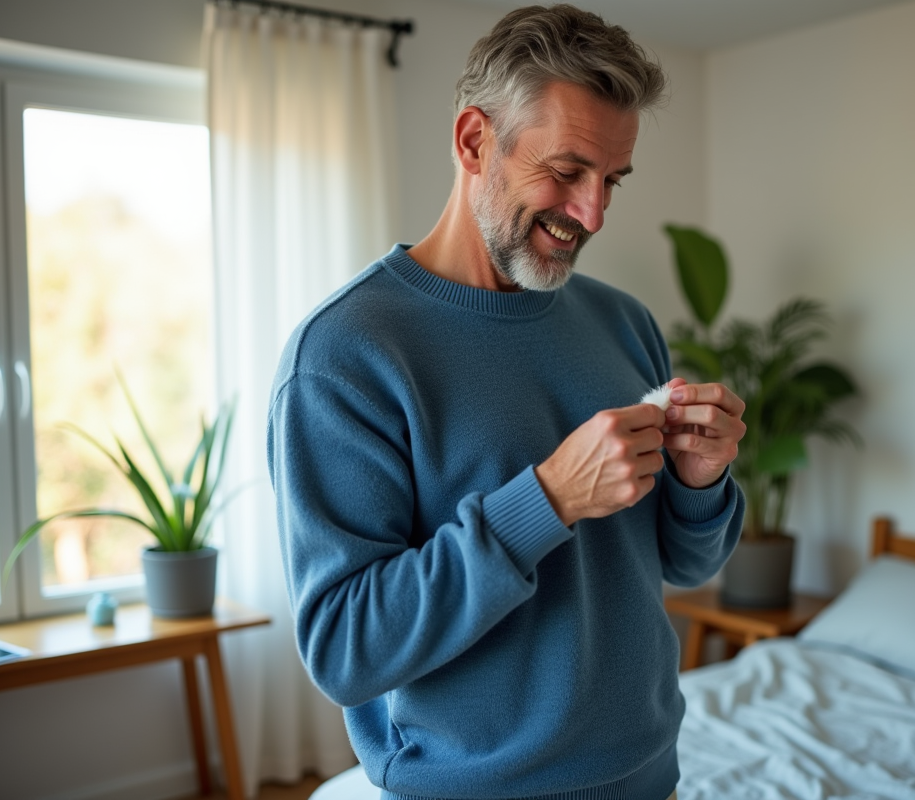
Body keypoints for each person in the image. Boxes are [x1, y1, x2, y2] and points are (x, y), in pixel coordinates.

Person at [267, 5, 746, 799]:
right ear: (473, 141)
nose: (592, 213)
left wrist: (699, 482)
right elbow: (345, 649)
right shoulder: (345, 355)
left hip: (648, 778)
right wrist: (548, 500)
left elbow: (685, 565)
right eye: (566, 171)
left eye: (611, 181)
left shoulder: (624, 322)